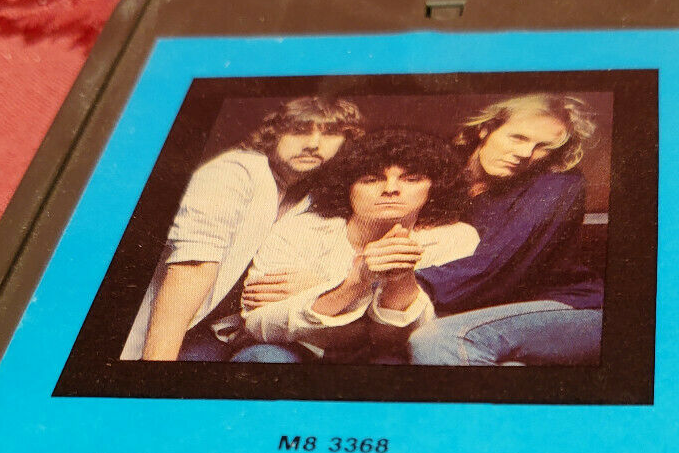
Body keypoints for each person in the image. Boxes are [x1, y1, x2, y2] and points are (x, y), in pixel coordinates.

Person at [120, 96, 365, 360]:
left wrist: (319, 286)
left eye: (329, 133)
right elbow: (192, 266)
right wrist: (156, 365)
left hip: (236, 333)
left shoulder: (318, 198)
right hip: (168, 332)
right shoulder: (235, 173)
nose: (313, 144)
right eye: (299, 130)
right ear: (274, 134)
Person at [232, 130, 478, 362]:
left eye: (411, 179)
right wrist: (354, 283)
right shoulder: (301, 228)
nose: (390, 189)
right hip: (299, 351)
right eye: (371, 179)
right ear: (347, 187)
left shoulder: (455, 238)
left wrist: (317, 287)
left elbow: (427, 337)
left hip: (391, 357)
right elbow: (257, 324)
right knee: (263, 357)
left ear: (435, 187)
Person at [405, 94, 604, 366]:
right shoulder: (443, 170)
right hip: (486, 313)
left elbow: (497, 269)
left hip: (570, 308)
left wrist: (395, 284)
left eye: (543, 146)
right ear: (486, 129)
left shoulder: (558, 183)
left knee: (442, 340)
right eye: (518, 137)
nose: (526, 153)